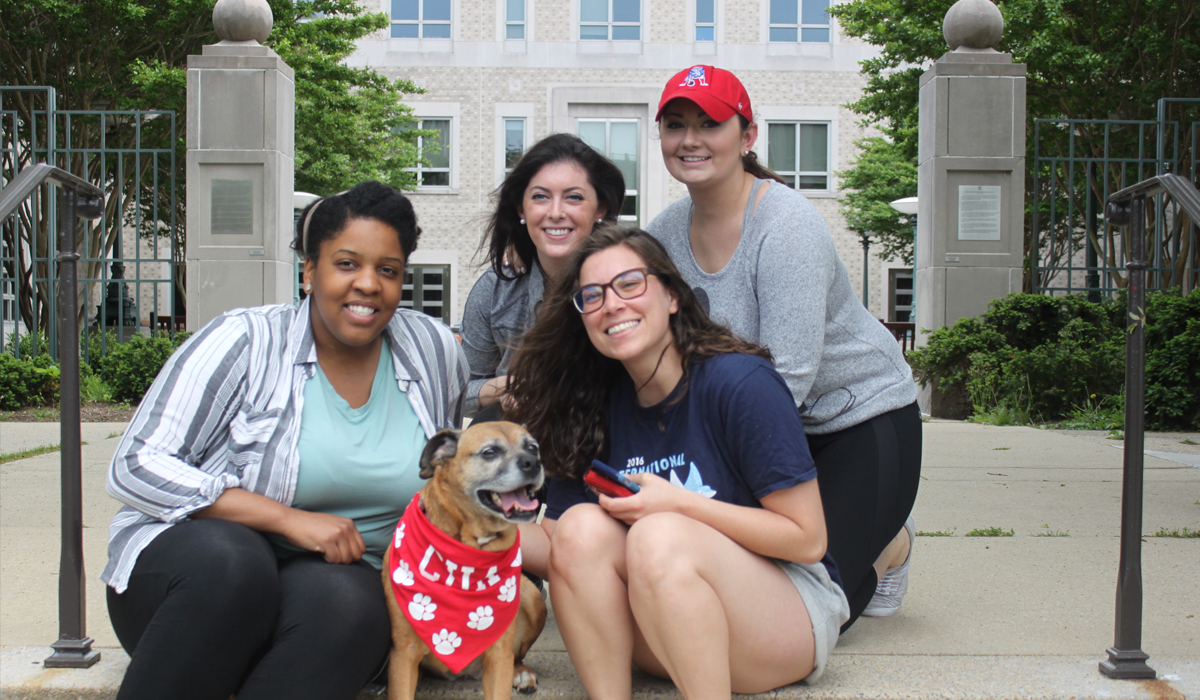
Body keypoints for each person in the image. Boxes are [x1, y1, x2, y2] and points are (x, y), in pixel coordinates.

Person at [101, 181, 469, 700]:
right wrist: (290, 521)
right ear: (308, 272)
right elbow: (136, 464)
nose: (368, 284)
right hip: (196, 589)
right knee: (237, 561)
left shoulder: (433, 350)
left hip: (320, 599)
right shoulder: (246, 339)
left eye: (387, 270)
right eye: (346, 264)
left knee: (355, 603)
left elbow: (445, 478)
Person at [506, 226, 849, 699]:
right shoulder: (589, 404)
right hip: (668, 619)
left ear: (671, 295)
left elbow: (807, 539)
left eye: (629, 284)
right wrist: (454, 527)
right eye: (592, 295)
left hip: (784, 615)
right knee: (580, 526)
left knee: (657, 532)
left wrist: (678, 506)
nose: (612, 304)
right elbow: (562, 551)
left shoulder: (740, 383)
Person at [645, 65, 921, 628]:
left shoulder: (786, 225)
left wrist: (712, 488)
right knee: (732, 586)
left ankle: (892, 546)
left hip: (856, 420)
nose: (690, 140)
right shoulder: (664, 233)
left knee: (804, 612)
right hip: (760, 425)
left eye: (710, 123)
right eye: (676, 125)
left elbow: (788, 378)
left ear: (746, 137)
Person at [461, 132, 625, 419]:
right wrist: (502, 389)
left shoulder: (626, 283)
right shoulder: (496, 289)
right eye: (540, 197)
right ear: (520, 208)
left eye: (573, 197)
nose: (556, 212)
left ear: (600, 208)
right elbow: (459, 391)